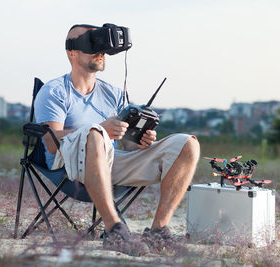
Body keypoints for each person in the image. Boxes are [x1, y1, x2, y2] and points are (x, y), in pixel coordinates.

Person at [34, 24, 200, 256]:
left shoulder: (112, 93)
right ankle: (114, 231)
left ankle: (158, 230)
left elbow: (127, 144)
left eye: (102, 48)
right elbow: (51, 143)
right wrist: (99, 130)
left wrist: (141, 141)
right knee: (94, 134)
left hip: (111, 161)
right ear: (72, 53)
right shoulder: (55, 91)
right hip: (69, 167)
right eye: (93, 46)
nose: (100, 53)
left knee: (187, 144)